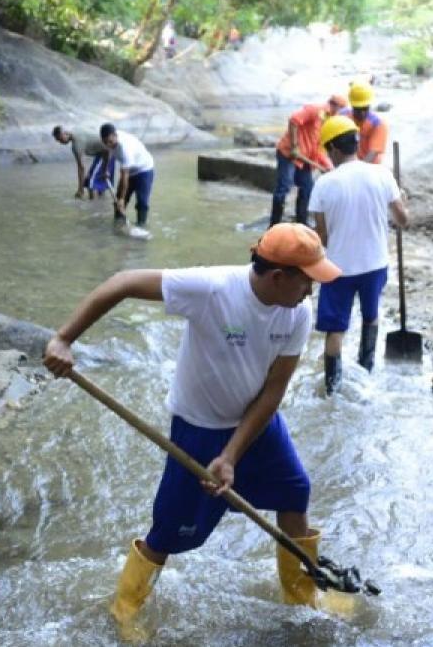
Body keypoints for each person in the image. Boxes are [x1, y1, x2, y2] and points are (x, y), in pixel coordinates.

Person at [42, 223, 342, 638]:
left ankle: (302, 596)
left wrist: (232, 455)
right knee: (171, 528)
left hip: (257, 425)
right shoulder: (212, 289)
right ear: (278, 277)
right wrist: (62, 338)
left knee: (295, 493)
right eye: (308, 281)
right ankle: (126, 609)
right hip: (198, 429)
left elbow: (273, 391)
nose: (311, 291)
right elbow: (122, 282)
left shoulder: (297, 312)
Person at [309, 115, 409, 394]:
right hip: (375, 264)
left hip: (338, 268)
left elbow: (323, 237)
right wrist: (405, 202)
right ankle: (366, 372)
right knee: (370, 316)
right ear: (355, 144)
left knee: (335, 331)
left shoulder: (324, 185)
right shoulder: (382, 174)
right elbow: (403, 220)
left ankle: (332, 389)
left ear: (333, 150)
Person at [269, 95, 346, 226]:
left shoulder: (329, 124)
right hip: (288, 153)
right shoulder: (315, 110)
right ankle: (274, 224)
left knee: (307, 189)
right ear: (334, 106)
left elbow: (319, 149)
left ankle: (301, 224)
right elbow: (294, 120)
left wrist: (328, 168)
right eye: (341, 109)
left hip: (305, 159)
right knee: (284, 187)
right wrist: (294, 146)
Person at [100, 123, 155, 227]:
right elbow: (107, 152)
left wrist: (121, 199)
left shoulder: (125, 148)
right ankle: (119, 224)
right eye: (105, 142)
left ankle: (141, 226)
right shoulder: (108, 141)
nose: (108, 145)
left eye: (110, 142)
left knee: (141, 202)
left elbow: (124, 177)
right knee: (118, 201)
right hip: (129, 170)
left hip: (144, 169)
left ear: (115, 135)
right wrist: (105, 169)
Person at [52, 125, 114, 199]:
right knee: (97, 181)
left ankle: (93, 207)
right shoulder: (77, 129)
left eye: (60, 139)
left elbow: (81, 168)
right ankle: (101, 204)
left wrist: (80, 189)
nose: (60, 142)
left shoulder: (76, 145)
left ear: (65, 133)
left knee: (90, 182)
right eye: (58, 140)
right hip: (104, 152)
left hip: (108, 153)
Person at [342, 81, 389, 165]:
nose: (362, 113)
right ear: (352, 105)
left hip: (371, 167)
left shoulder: (378, 124)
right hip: (349, 163)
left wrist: (357, 170)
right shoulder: (343, 117)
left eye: (365, 108)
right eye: (358, 109)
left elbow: (373, 153)